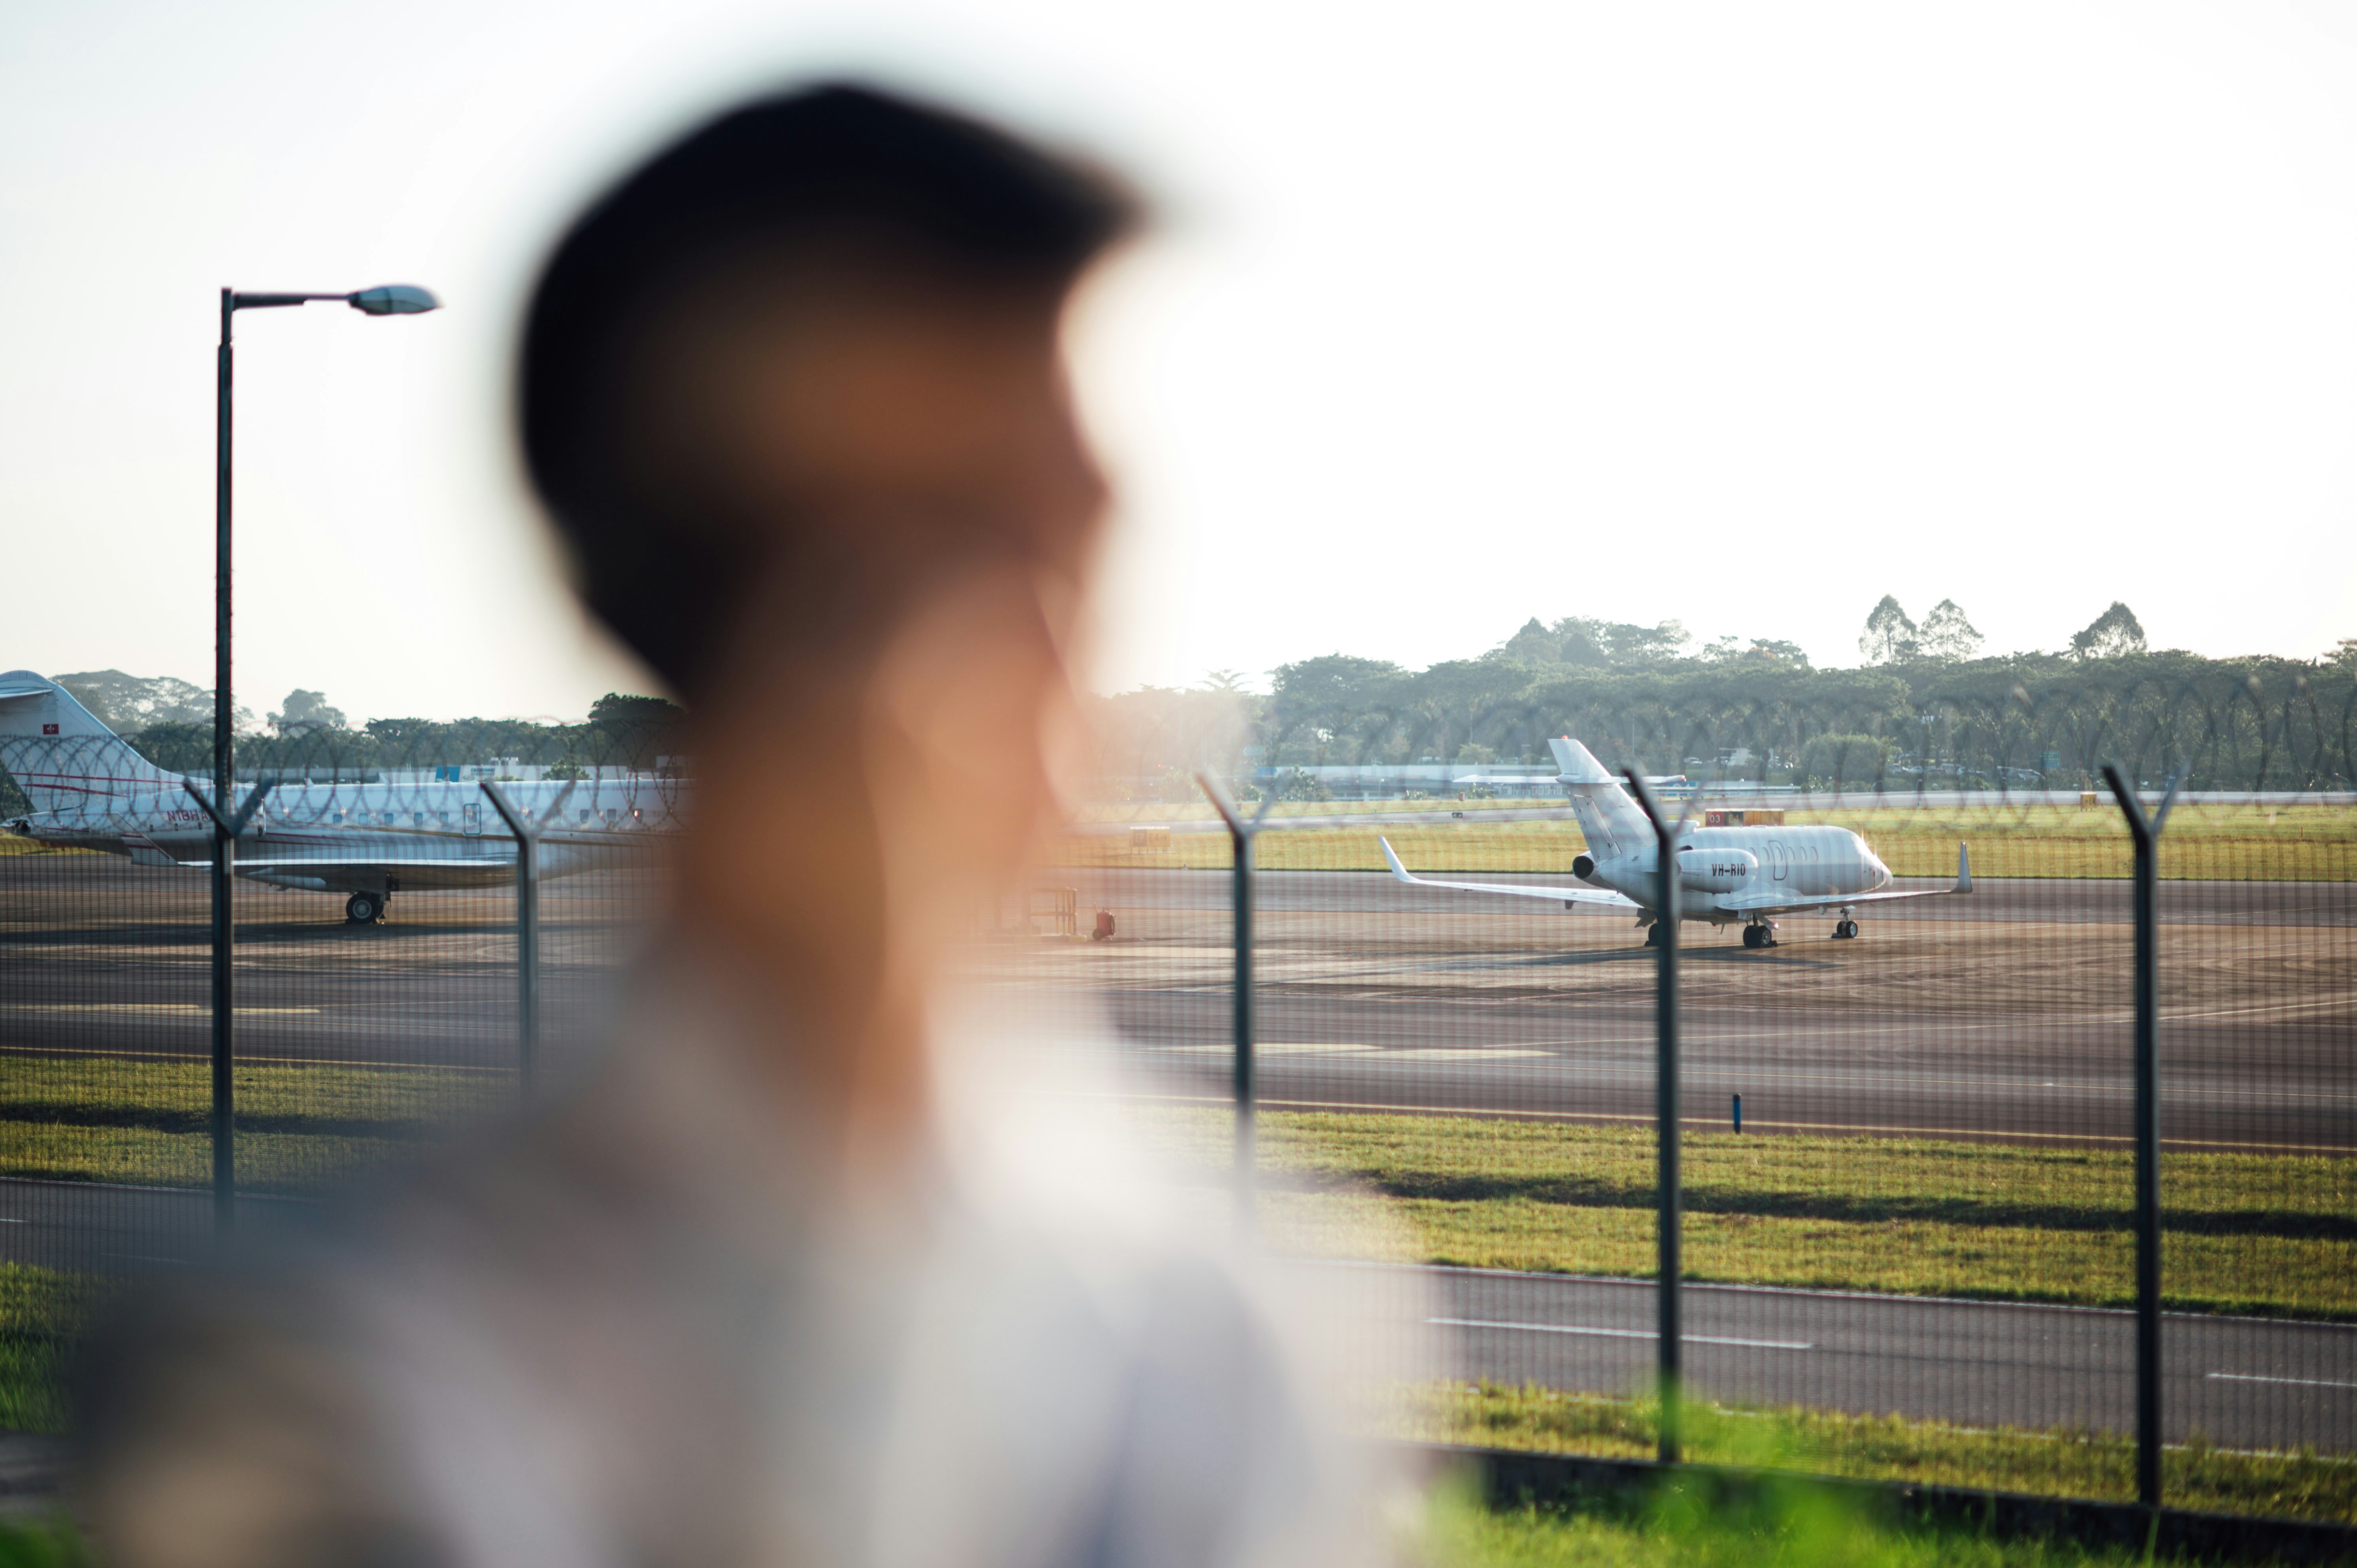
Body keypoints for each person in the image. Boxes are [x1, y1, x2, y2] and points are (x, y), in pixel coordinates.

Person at [81, 84, 1398, 1567]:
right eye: (972, 548)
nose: (1056, 653)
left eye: (1076, 537)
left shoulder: (1222, 1308)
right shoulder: (315, 1358)